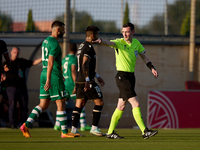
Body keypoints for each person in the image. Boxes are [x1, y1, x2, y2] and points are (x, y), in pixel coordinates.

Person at [93, 22, 158, 139]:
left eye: (127, 32)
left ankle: (110, 132)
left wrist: (152, 68)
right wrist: (101, 40)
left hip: (131, 77)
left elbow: (144, 57)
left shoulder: (137, 43)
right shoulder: (119, 42)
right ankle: (145, 131)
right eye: (123, 32)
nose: (125, 34)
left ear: (133, 32)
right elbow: (109, 42)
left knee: (121, 106)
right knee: (135, 103)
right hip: (122, 77)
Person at [20, 21, 76, 138]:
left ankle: (26, 124)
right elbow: (51, 62)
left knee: (43, 104)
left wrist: (47, 78)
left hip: (43, 73)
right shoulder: (55, 43)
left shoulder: (45, 41)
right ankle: (64, 132)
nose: (64, 31)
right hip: (53, 75)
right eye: (63, 29)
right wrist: (49, 79)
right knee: (61, 103)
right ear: (57, 30)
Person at [70, 26, 105, 137]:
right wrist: (87, 81)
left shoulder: (81, 46)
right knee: (99, 102)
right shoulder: (89, 47)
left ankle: (74, 130)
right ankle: (94, 128)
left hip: (79, 80)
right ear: (92, 35)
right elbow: (85, 64)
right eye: (97, 34)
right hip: (86, 81)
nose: (97, 37)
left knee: (79, 104)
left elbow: (85, 66)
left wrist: (97, 76)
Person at [54, 43, 91, 132]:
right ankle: (83, 125)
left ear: (68, 50)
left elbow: (61, 70)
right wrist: (76, 84)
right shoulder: (74, 59)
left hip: (65, 84)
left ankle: (57, 124)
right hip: (71, 84)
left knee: (62, 103)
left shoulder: (64, 59)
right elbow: (73, 71)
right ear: (76, 50)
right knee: (80, 102)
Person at [3, 47, 42, 129]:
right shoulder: (7, 63)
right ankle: (13, 123)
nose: (16, 54)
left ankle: (25, 123)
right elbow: (3, 69)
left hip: (22, 87)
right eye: (14, 52)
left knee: (24, 106)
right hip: (11, 87)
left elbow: (33, 63)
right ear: (11, 53)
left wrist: (43, 58)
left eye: (17, 53)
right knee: (12, 105)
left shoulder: (21, 62)